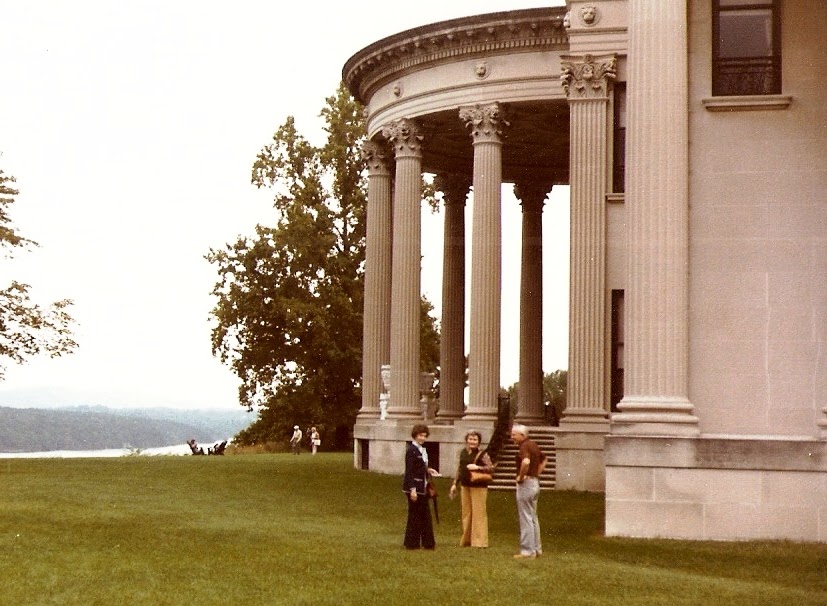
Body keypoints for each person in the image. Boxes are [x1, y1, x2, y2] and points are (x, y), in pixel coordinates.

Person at [449, 430, 494, 548]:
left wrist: (477, 467)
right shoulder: (463, 452)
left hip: (478, 486)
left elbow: (490, 468)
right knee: (466, 513)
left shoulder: (482, 454)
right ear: (466, 440)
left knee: (478, 513)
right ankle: (466, 539)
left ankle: (480, 542)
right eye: (470, 439)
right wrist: (455, 484)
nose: (472, 442)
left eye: (475, 439)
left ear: (479, 442)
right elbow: (460, 468)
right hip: (465, 485)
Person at [510, 424, 547, 559]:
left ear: (522, 435)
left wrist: (520, 477)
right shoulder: (533, 445)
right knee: (532, 517)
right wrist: (536, 473)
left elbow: (525, 462)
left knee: (525, 517)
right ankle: (537, 549)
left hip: (526, 484)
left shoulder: (524, 446)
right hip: (535, 483)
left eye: (514, 434)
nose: (511, 437)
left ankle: (527, 551)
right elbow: (544, 459)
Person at [402, 424, 438, 550]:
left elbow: (420, 467)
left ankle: (427, 542)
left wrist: (428, 470)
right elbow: (410, 471)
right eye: (420, 435)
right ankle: (413, 542)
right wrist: (412, 490)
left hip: (423, 486)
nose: (422, 438)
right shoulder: (411, 450)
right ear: (415, 435)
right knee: (415, 514)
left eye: (424, 436)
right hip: (415, 487)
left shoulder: (422, 450)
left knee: (424, 514)